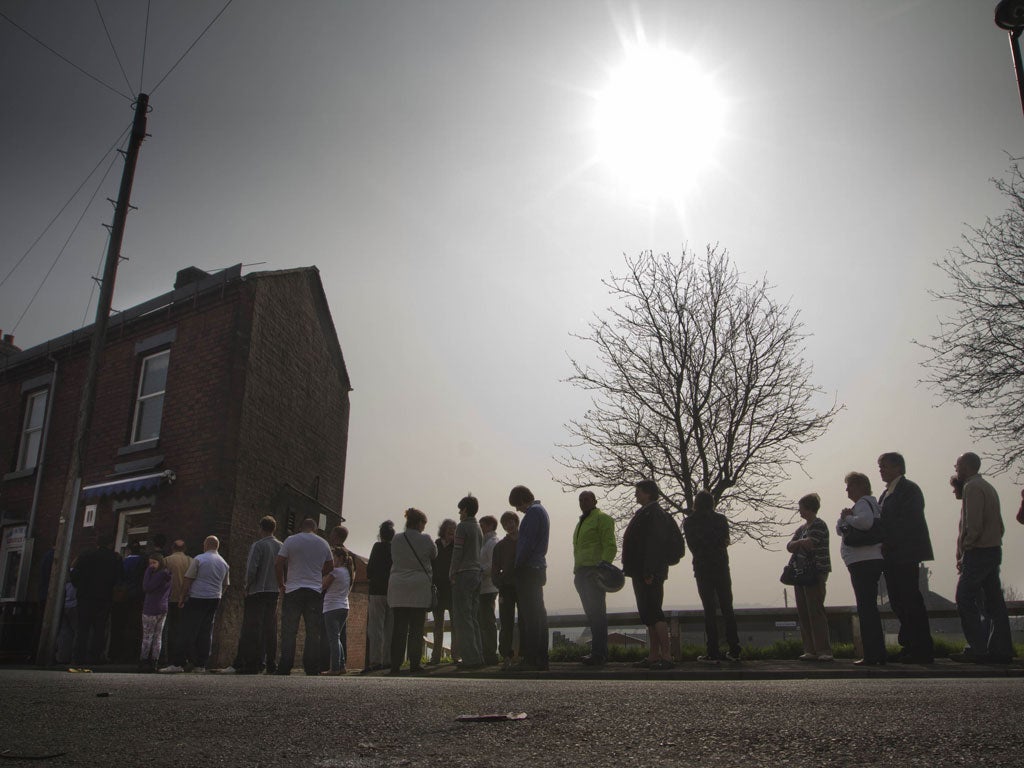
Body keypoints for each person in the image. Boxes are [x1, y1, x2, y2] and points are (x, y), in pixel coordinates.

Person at [950, 452, 1013, 663]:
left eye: (957, 466)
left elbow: (973, 524)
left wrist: (966, 549)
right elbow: (999, 525)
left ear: (966, 467)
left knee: (964, 597)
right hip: (993, 549)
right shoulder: (988, 487)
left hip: (979, 551)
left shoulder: (972, 488)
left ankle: (978, 648)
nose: (956, 470)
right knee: (994, 602)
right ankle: (1002, 648)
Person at [877, 452, 935, 663]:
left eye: (885, 466)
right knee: (898, 601)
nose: (881, 470)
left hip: (905, 553)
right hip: (891, 556)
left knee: (910, 600)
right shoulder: (884, 495)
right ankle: (910, 644)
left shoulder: (909, 489)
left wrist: (888, 541)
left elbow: (908, 522)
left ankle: (922, 647)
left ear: (898, 467)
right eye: (880, 466)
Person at [621, 480, 675, 670]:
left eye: (639, 492)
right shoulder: (648, 513)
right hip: (642, 571)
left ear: (648, 493)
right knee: (648, 614)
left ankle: (666, 656)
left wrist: (649, 571)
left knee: (655, 612)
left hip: (649, 572)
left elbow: (654, 544)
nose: (636, 495)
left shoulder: (654, 515)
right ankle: (653, 655)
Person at [682, 490, 741, 664]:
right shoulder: (721, 520)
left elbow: (692, 545)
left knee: (709, 610)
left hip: (702, 567)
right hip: (721, 566)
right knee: (727, 608)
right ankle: (735, 648)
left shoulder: (690, 522)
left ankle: (712, 650)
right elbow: (725, 541)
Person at [836, 472, 885, 666]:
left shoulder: (863, 503)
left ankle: (872, 654)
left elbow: (865, 523)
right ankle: (877, 652)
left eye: (850, 486)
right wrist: (845, 520)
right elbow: (840, 528)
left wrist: (847, 518)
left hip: (863, 561)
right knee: (869, 608)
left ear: (860, 486)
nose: (847, 490)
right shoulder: (872, 504)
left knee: (866, 608)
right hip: (869, 560)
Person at [161, 536, 229, 673]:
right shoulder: (224, 563)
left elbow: (188, 579)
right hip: (214, 598)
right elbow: (226, 584)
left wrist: (182, 596)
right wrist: (218, 594)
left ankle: (178, 663)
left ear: (205, 545)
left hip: (197, 597)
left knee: (187, 630)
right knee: (206, 631)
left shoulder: (200, 559)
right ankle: (200, 664)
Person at [275, 518, 333, 676]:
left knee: (289, 630)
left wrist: (281, 584)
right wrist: (317, 574)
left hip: (293, 589)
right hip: (314, 591)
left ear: (301, 527)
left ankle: (285, 666)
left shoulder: (291, 540)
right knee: (313, 631)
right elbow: (330, 567)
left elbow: (278, 563)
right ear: (314, 528)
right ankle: (312, 667)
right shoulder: (323, 543)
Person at [227, 515, 282, 674]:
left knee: (252, 628)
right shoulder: (281, 546)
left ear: (261, 528)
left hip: (257, 591)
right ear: (274, 528)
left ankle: (251, 663)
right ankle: (270, 663)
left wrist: (246, 585)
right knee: (270, 628)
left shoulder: (258, 546)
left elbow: (252, 569)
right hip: (274, 591)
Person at [388, 507, 437, 675]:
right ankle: (415, 663)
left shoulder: (396, 539)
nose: (424, 527)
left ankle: (395, 665)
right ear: (419, 523)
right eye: (424, 523)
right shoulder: (426, 539)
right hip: (418, 587)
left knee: (399, 629)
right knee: (416, 628)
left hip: (398, 587)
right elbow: (434, 554)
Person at [572, 491, 616, 667]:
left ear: (595, 501)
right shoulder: (581, 522)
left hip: (593, 572)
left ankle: (599, 654)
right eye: (580, 500)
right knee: (592, 614)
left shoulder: (602, 518)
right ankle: (596, 652)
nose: (583, 502)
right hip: (581, 572)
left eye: (586, 499)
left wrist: (602, 569)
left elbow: (610, 545)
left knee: (597, 614)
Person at [509, 485, 550, 671]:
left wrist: (517, 565)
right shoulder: (541, 511)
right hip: (538, 567)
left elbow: (527, 543)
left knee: (531, 615)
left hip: (529, 568)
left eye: (517, 505)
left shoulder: (533, 513)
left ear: (523, 499)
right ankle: (540, 656)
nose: (518, 510)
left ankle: (533, 657)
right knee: (538, 613)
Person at [788, 493, 832, 661]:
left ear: (808, 508)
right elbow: (790, 546)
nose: (799, 511)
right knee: (803, 611)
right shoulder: (802, 529)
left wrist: (798, 543)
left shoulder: (819, 525)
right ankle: (810, 649)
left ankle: (824, 650)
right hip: (800, 574)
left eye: (801, 507)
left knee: (815, 610)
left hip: (816, 572)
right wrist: (800, 543)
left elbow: (809, 543)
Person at [69, 535, 122, 672]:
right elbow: (119, 578)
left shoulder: (86, 556)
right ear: (110, 544)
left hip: (85, 596)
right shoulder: (114, 558)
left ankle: (78, 657)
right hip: (104, 597)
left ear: (97, 543)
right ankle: (95, 657)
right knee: (100, 629)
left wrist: (80, 586)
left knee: (82, 628)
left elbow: (74, 575)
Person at [450, 495, 485, 669]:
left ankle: (469, 658)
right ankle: (478, 655)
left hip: (463, 573)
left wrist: (452, 572)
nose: (459, 513)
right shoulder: (478, 528)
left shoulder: (462, 527)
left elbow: (457, 552)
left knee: (462, 617)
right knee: (473, 616)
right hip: (476, 574)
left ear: (465, 510)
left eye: (460, 509)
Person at [364, 520, 395, 673]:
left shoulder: (377, 547)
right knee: (390, 627)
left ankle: (376, 660)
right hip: (393, 591)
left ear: (380, 535)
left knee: (376, 627)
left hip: (377, 591)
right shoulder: (395, 549)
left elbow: (369, 570)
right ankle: (388, 659)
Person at [492, 511, 520, 670]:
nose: (509, 525)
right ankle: (506, 656)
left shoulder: (525, 541)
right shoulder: (500, 546)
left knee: (524, 621)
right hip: (506, 588)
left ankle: (522, 654)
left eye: (511, 522)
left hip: (522, 587)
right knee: (506, 623)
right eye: (505, 524)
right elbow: (495, 569)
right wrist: (499, 584)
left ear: (516, 522)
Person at [321, 546, 355, 675]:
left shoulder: (336, 572)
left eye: (334, 557)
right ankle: (341, 666)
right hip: (343, 607)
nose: (332, 560)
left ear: (340, 558)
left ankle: (334, 668)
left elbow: (323, 585)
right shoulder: (347, 572)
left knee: (333, 639)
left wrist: (323, 574)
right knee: (337, 638)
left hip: (332, 607)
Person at [428, 519, 457, 664]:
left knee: (455, 624)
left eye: (454, 529)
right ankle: (436, 656)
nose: (452, 531)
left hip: (452, 589)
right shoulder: (436, 545)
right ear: (444, 530)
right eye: (450, 529)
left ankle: (455, 655)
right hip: (438, 589)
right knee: (438, 625)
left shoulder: (456, 547)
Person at [161, 540, 192, 667]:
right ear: (184, 549)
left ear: (172, 548)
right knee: (181, 630)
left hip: (168, 598)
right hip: (184, 599)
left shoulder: (166, 561)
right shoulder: (191, 561)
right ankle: (180, 658)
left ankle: (166, 658)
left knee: (166, 629)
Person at [139, 553, 171, 672]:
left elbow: (146, 587)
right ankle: (155, 661)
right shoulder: (168, 574)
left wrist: (147, 571)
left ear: (160, 563)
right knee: (158, 637)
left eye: (154, 563)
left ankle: (143, 661)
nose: (151, 566)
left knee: (147, 636)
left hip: (151, 608)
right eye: (149, 563)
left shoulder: (159, 575)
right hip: (163, 608)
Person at [478, 515, 500, 665]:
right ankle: (487, 652)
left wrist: (478, 570)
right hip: (484, 587)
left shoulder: (492, 543)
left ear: (490, 525)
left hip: (488, 587)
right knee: (484, 621)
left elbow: (493, 565)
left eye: (482, 525)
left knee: (487, 621)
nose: (481, 528)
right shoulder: (486, 543)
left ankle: (490, 653)